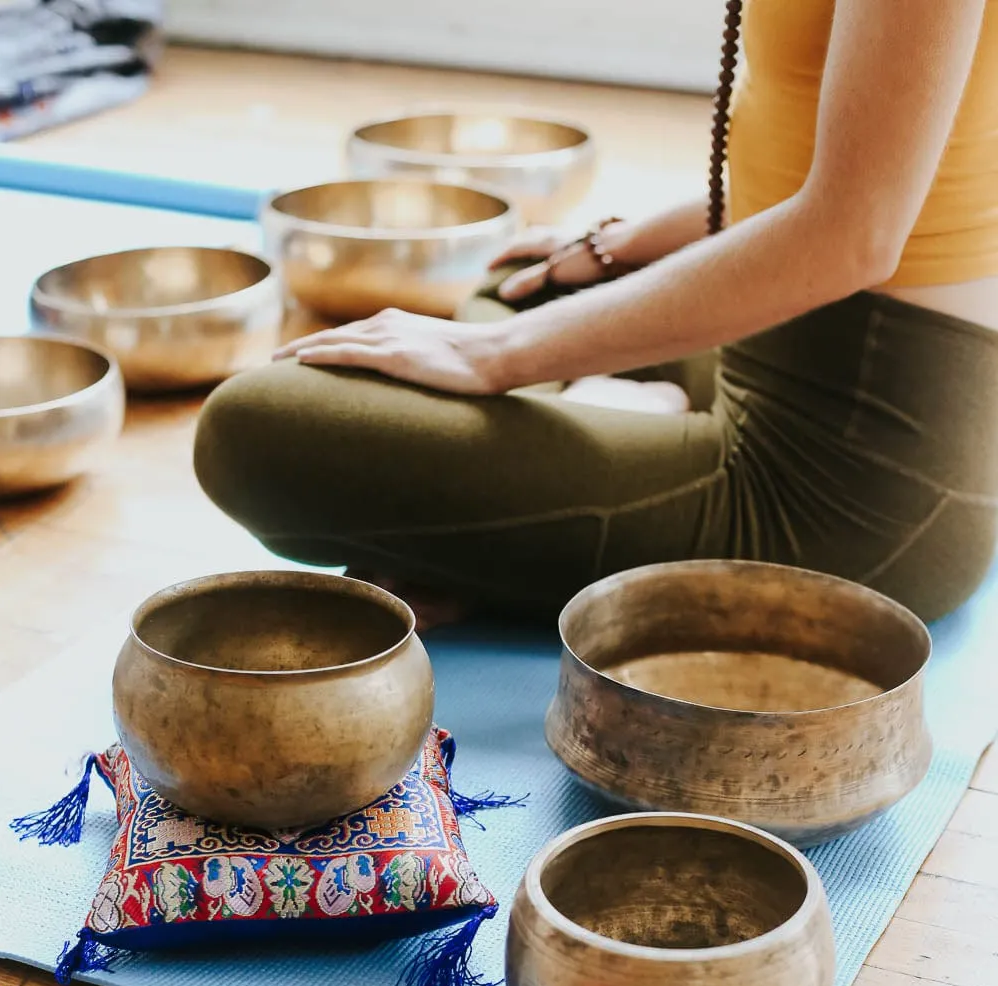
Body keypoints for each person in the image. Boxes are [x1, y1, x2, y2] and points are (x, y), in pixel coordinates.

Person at [194, 0, 998, 626]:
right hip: (772, 349)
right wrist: (620, 245)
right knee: (531, 281)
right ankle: (563, 477)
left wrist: (499, 356)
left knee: (252, 431)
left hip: (858, 491)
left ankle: (530, 511)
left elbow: (851, 238)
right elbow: (835, 165)